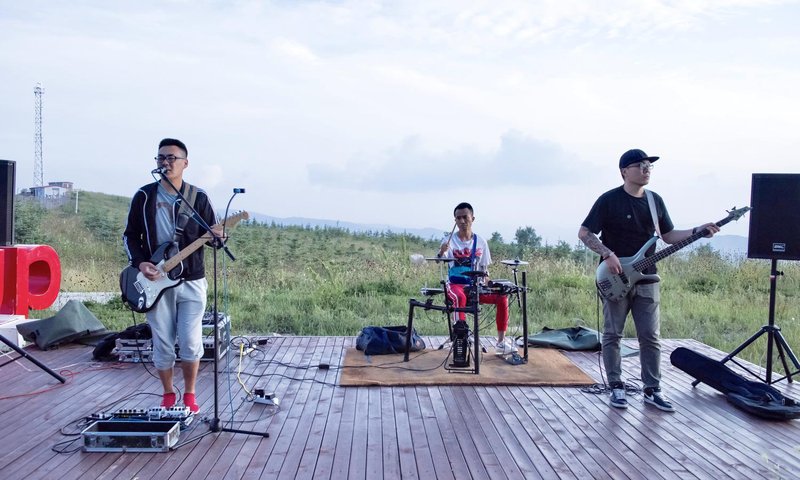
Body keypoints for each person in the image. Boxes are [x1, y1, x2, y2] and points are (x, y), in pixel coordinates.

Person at [578, 148, 719, 412]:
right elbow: (585, 232)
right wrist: (607, 253)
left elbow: (668, 236)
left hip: (647, 278)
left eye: (649, 166)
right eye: (640, 165)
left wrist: (698, 231)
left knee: (650, 337)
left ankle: (652, 389)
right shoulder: (609, 200)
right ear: (624, 171)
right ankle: (616, 386)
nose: (646, 169)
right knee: (612, 334)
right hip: (615, 278)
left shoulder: (655, 201)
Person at [122, 138, 223, 413]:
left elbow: (213, 238)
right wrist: (140, 264)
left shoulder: (198, 197)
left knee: (190, 341)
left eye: (171, 158)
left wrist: (219, 238)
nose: (165, 162)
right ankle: (168, 393)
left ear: (185, 163)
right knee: (163, 343)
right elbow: (130, 236)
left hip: (192, 280)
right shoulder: (144, 196)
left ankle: (190, 394)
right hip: (156, 281)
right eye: (161, 158)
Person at [438, 202, 514, 355]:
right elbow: (439, 260)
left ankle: (501, 342)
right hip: (455, 284)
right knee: (459, 297)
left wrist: (491, 285)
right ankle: (461, 337)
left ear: (472, 218)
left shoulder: (481, 242)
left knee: (502, 298)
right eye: (458, 218)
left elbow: (484, 270)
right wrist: (441, 251)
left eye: (465, 217)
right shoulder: (448, 241)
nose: (462, 221)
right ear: (455, 220)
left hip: (475, 286)